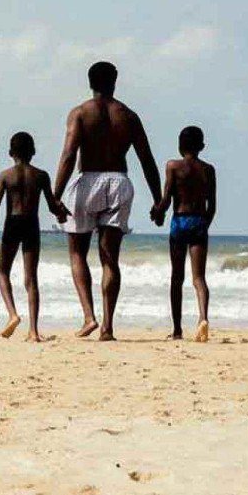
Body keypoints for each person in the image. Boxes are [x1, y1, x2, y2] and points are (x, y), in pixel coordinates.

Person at [53, 61, 163, 341]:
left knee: (77, 252)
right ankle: (107, 326)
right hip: (119, 181)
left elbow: (68, 156)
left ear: (90, 82)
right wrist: (159, 200)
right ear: (115, 81)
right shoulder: (128, 116)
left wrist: (54, 196)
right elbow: (146, 160)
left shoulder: (80, 113)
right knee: (110, 258)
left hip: (87, 180)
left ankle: (89, 316)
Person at [0, 132, 69, 342]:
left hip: (12, 223)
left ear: (11, 153)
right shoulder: (41, 176)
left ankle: (12, 314)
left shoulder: (5, 176)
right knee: (31, 279)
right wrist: (61, 212)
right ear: (33, 152)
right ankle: (33, 331)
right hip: (31, 224)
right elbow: (51, 206)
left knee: (3, 271)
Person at [153, 126, 216, 342]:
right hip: (199, 220)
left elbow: (167, 198)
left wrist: (157, 212)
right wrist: (204, 225)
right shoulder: (208, 169)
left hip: (179, 221)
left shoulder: (173, 166)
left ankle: (178, 330)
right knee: (199, 277)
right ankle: (203, 318)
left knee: (176, 277)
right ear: (201, 146)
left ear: (180, 146)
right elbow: (212, 205)